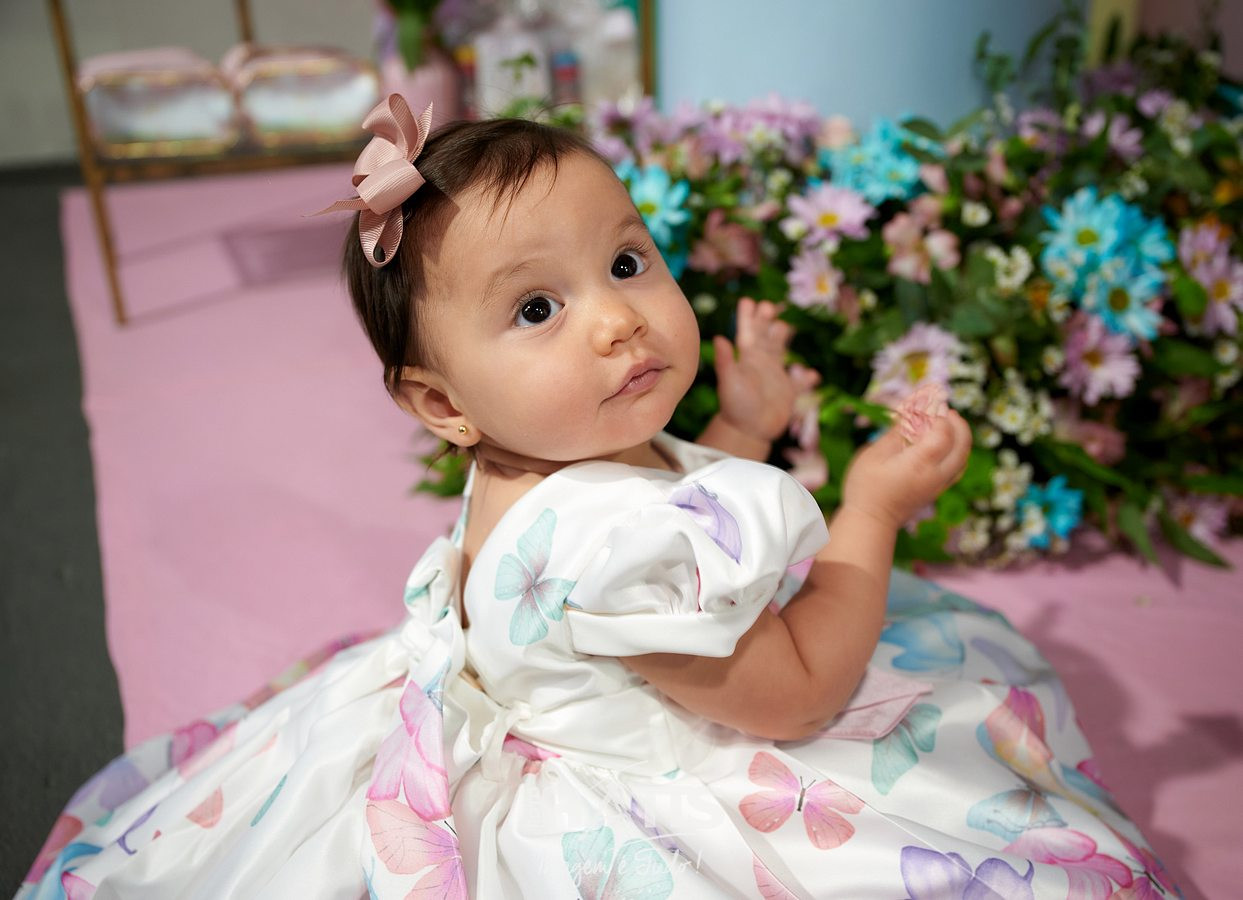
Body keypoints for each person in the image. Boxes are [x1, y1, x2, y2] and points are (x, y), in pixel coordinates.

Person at [20, 95, 1176, 899]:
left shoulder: (535, 451)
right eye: (537, 309)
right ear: (441, 403)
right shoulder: (606, 552)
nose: (618, 318)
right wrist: (871, 507)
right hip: (651, 778)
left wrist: (742, 432)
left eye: (626, 263)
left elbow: (666, 510)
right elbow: (795, 694)